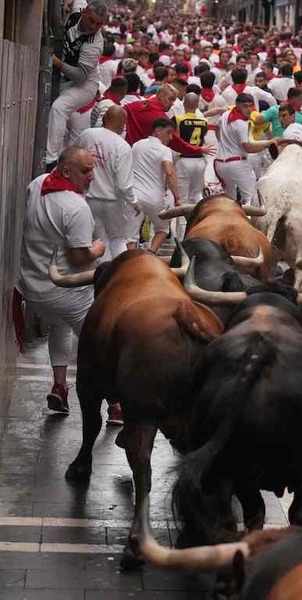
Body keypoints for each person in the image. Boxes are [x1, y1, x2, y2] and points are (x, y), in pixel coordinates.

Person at [16, 147, 114, 420]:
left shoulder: (36, 184)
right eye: (85, 171)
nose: (92, 177)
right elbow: (80, 257)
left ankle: (59, 386)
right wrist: (97, 249)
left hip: (33, 289)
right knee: (99, 343)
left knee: (59, 326)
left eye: (93, 169)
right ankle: (116, 402)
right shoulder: (75, 207)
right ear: (66, 171)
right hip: (67, 293)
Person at [45, 1, 108, 170]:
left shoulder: (94, 44)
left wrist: (58, 63)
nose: (94, 26)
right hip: (65, 76)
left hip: (85, 83)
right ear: (85, 11)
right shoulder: (77, 10)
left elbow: (80, 76)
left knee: (59, 107)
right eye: (91, 20)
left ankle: (50, 161)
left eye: (99, 24)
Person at [76, 106, 138, 260]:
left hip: (89, 199)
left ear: (104, 119)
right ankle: (122, 272)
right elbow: (124, 184)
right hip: (113, 203)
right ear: (123, 123)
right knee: (117, 240)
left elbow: (72, 155)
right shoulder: (122, 146)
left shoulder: (87, 135)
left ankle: (103, 276)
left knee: (99, 240)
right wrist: (134, 202)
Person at [215, 93, 281, 204]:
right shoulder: (241, 123)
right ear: (237, 105)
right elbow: (248, 148)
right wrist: (268, 144)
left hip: (220, 164)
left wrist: (222, 143)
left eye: (251, 106)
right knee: (251, 197)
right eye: (245, 106)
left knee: (229, 199)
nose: (249, 109)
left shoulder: (225, 115)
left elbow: (217, 127)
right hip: (237, 164)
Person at [129, 118, 179, 253]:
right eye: (168, 133)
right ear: (157, 131)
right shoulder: (164, 150)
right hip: (155, 198)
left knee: (131, 235)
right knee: (162, 229)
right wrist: (177, 197)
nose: (170, 137)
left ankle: (130, 261)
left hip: (135, 196)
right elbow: (170, 173)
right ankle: (151, 254)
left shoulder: (137, 145)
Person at [172, 92, 209, 210]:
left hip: (184, 160)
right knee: (196, 195)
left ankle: (182, 227)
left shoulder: (178, 119)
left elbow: (173, 139)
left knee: (182, 198)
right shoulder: (204, 121)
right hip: (200, 160)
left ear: (184, 104)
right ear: (197, 105)